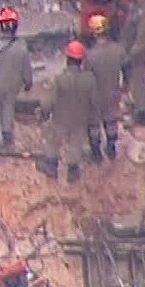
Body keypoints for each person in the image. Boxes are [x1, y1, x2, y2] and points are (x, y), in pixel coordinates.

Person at [41, 40, 100, 183]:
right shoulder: (90, 79)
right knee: (76, 145)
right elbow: (95, 101)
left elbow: (49, 101)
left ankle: (51, 166)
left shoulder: (60, 79)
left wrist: (45, 112)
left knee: (52, 142)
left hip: (60, 119)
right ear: (81, 61)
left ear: (68, 59)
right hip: (80, 120)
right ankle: (72, 171)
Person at [0, 6, 33, 153]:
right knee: (8, 108)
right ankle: (8, 138)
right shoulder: (21, 47)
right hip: (12, 86)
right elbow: (27, 69)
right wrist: (28, 83)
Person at [82, 14, 125, 161]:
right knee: (111, 120)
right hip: (113, 91)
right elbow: (125, 67)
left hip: (96, 94)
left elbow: (87, 78)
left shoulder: (90, 55)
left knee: (94, 123)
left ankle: (96, 154)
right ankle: (111, 148)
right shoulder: (118, 50)